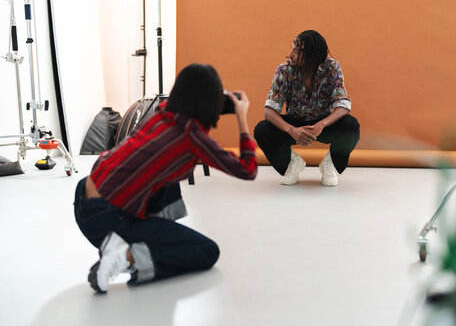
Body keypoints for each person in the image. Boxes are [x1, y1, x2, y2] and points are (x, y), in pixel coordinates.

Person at [74, 63, 257, 293]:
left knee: (162, 179)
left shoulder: (159, 114)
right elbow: (248, 169)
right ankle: (126, 257)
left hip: (84, 203)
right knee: (208, 251)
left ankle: (129, 244)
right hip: (109, 218)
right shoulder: (193, 137)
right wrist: (241, 117)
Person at [254, 30, 359, 186]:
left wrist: (322, 124)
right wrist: (292, 130)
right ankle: (293, 164)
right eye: (291, 49)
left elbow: (343, 105)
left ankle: (330, 164)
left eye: (296, 51)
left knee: (351, 126)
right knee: (262, 130)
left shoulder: (331, 68)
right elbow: (269, 111)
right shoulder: (284, 70)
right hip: (295, 123)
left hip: (322, 123)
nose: (290, 55)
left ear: (312, 55)